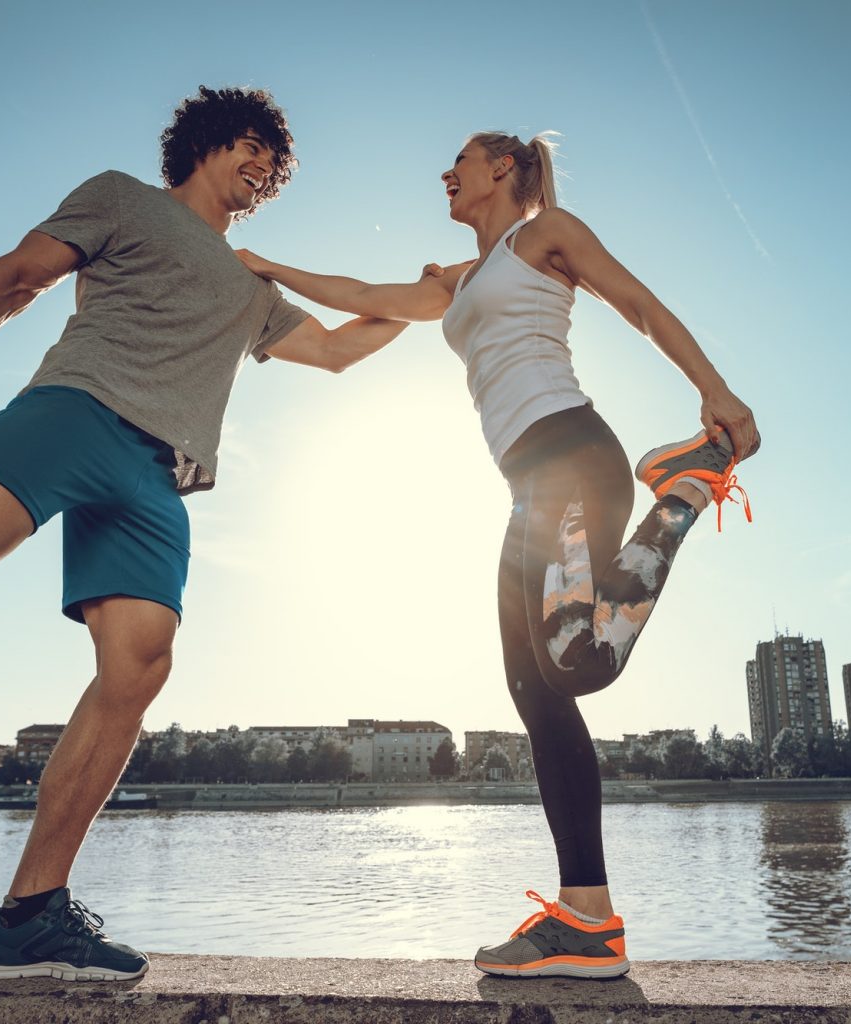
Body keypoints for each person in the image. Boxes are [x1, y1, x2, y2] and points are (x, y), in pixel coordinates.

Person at [0, 86, 409, 982]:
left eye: (276, 166)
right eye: (254, 149)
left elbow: (334, 351)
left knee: (137, 666)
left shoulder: (251, 288)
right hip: (81, 407)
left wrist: (437, 297)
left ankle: (29, 916)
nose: (265, 171)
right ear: (211, 143)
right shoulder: (123, 198)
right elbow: (18, 279)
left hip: (158, 471)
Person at [235, 131, 760, 979]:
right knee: (536, 691)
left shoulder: (546, 235)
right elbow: (363, 293)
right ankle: (585, 920)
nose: (447, 171)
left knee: (579, 662)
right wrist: (265, 264)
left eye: (464, 158)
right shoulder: (455, 281)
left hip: (574, 456)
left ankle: (684, 490)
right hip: (527, 491)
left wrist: (714, 390)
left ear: (505, 170)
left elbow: (641, 305)